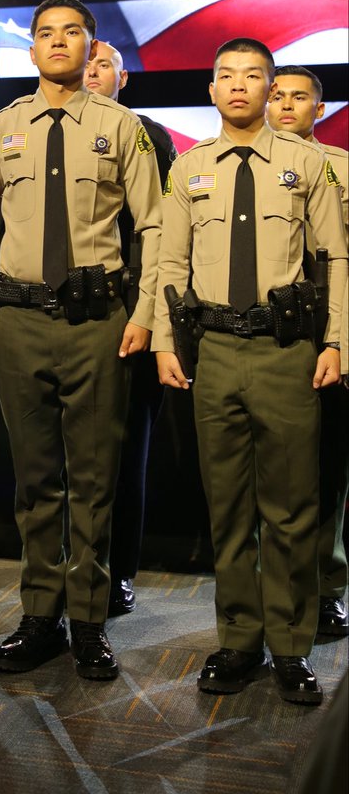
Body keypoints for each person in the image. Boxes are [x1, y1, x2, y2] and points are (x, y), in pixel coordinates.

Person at [0, 0, 162, 679]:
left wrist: (143, 315)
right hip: (16, 322)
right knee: (34, 479)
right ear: (31, 48)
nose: (57, 42)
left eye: (72, 32)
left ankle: (90, 621)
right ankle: (40, 615)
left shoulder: (121, 127)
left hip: (98, 322)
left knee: (95, 480)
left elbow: (153, 228)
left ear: (91, 47)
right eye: (44, 33)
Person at [155, 39, 346, 706]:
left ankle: (291, 647)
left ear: (271, 88)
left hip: (287, 352)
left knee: (292, 508)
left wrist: (336, 341)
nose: (239, 86)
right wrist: (163, 344)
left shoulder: (308, 165)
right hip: (215, 354)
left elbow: (336, 258)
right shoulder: (188, 167)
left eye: (254, 76)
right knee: (228, 507)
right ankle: (238, 640)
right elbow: (169, 264)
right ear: (211, 89)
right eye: (226, 76)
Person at [84, 42, 176, 616]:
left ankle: (118, 572)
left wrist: (145, 312)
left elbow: (159, 233)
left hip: (128, 312)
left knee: (123, 455)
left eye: (102, 66)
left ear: (124, 79)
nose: (90, 72)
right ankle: (70, 572)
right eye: (86, 63)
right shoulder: (31, 127)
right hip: (63, 319)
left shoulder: (147, 135)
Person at [266, 63, 349, 639]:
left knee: (327, 472)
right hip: (267, 340)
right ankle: (266, 592)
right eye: (278, 95)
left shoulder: (341, 169)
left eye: (301, 97)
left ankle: (325, 587)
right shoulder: (234, 165)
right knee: (265, 477)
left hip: (330, 340)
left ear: (319, 110)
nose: (287, 105)